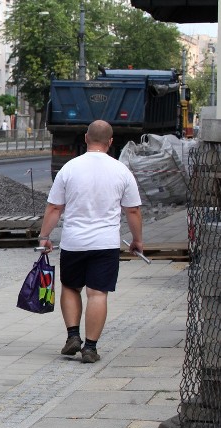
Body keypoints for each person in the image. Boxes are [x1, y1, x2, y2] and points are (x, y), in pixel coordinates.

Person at [37, 120, 143, 364]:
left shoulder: (69, 168)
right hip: (105, 243)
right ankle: (90, 348)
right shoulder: (121, 171)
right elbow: (134, 211)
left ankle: (73, 335)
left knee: (72, 287)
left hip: (74, 241)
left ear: (86, 138)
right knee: (97, 294)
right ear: (111, 141)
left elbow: (54, 207)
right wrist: (137, 240)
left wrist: (44, 237)